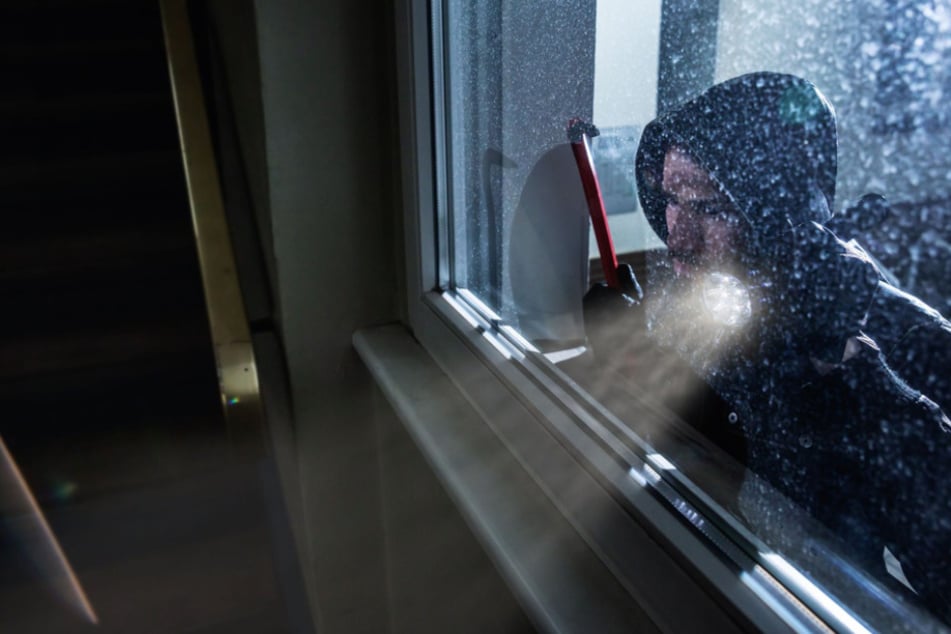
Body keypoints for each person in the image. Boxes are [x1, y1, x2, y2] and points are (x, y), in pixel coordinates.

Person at [584, 71, 951, 619]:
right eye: (670, 200)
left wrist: (858, 384)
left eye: (706, 206)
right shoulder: (712, 302)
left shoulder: (912, 342)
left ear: (780, 217)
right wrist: (633, 351)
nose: (676, 233)